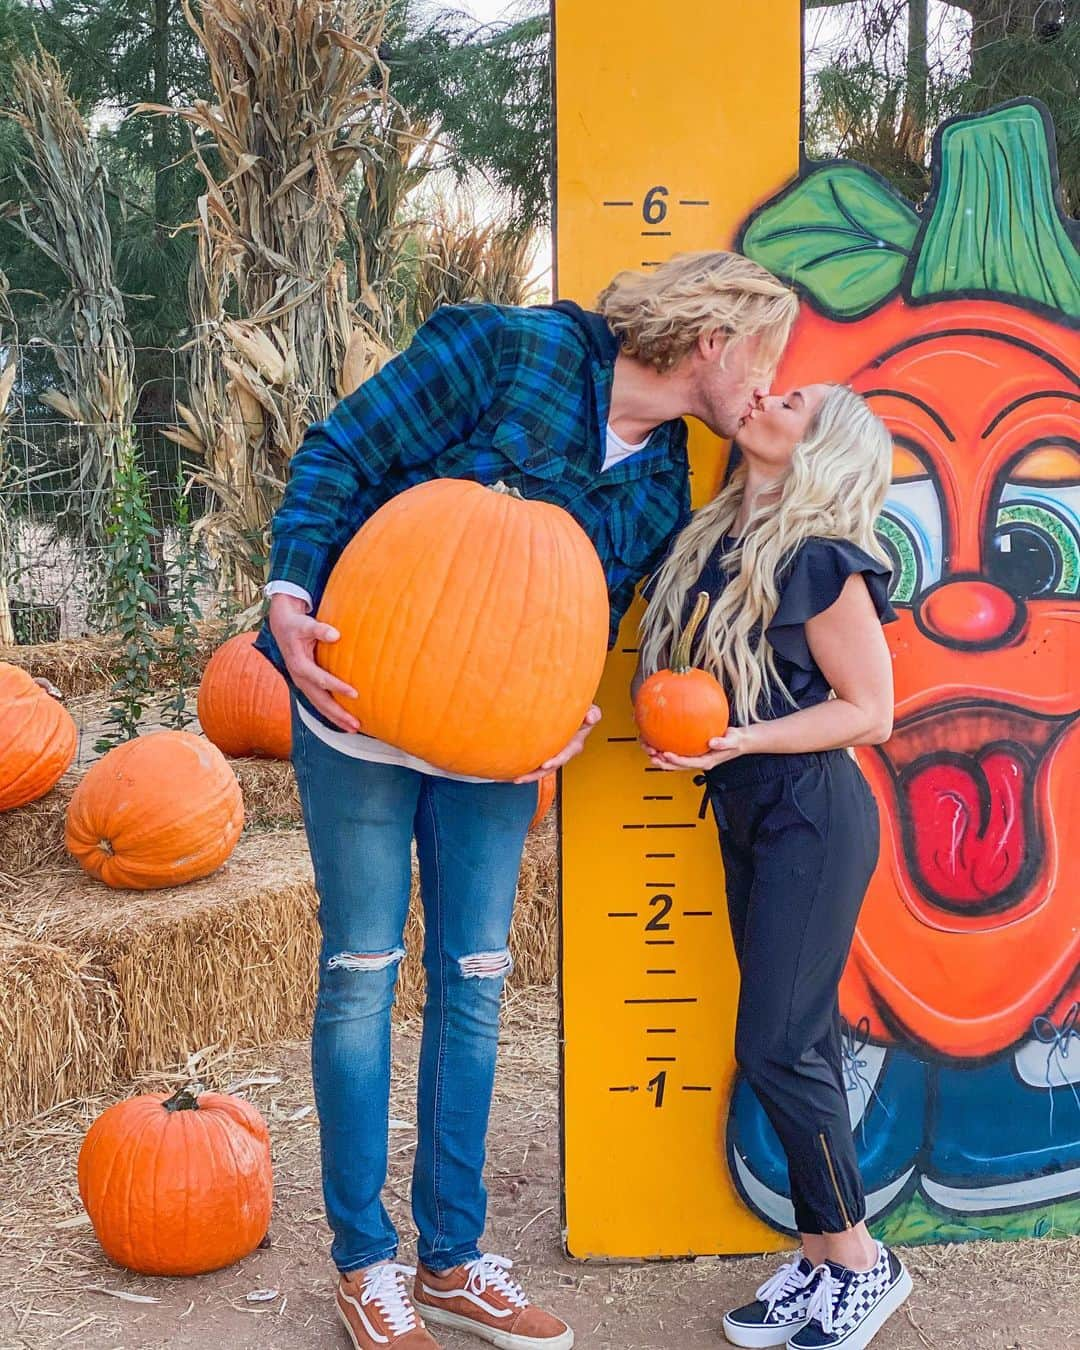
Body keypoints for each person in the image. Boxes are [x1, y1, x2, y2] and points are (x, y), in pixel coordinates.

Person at [255, 252, 799, 1350]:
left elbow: (582, 615)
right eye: (768, 357)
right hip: (359, 701)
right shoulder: (509, 350)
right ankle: (365, 1265)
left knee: (475, 983)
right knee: (363, 974)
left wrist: (566, 711)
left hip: (496, 750)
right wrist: (288, 596)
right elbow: (339, 452)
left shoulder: (665, 482)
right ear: (714, 340)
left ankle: (451, 1259)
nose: (768, 382)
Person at [637, 384, 912, 1350]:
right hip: (755, 810)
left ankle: (864, 1262)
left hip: (812, 815)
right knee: (798, 1042)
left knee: (778, 1047)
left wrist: (740, 740)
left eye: (791, 399)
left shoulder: (820, 558)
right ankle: (817, 1255)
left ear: (819, 444)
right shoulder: (720, 543)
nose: (764, 397)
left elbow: (869, 711)